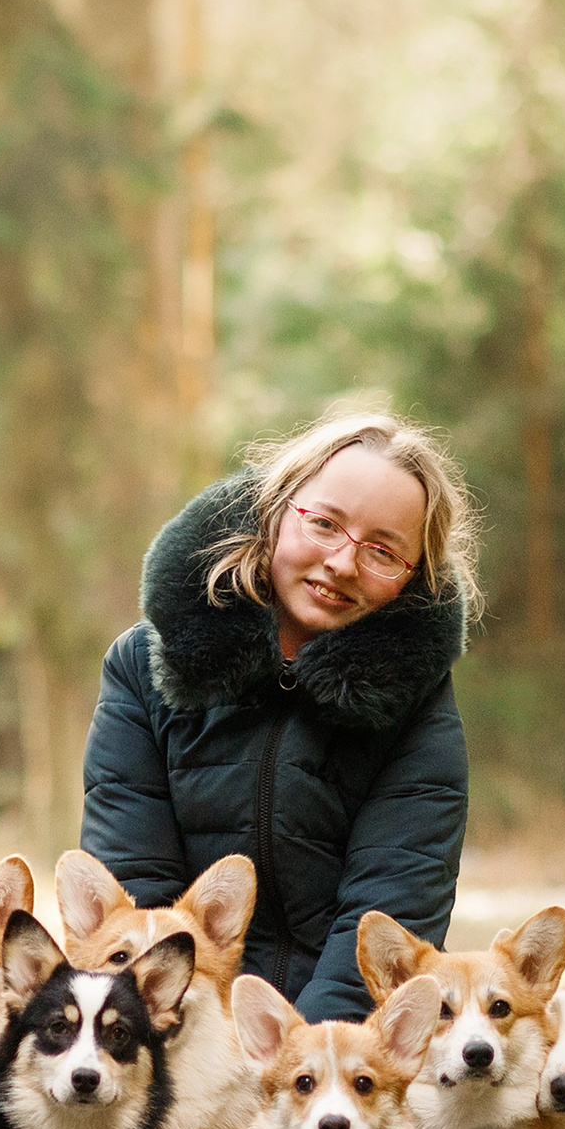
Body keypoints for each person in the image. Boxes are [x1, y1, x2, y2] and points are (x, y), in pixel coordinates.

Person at [81, 409, 480, 1022]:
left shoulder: (418, 707)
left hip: (340, 1062)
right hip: (175, 1029)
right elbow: (135, 900)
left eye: (382, 552)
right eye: (324, 524)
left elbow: (389, 920)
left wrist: (299, 1065)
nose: (344, 564)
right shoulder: (144, 666)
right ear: (275, 511)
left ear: (412, 581)